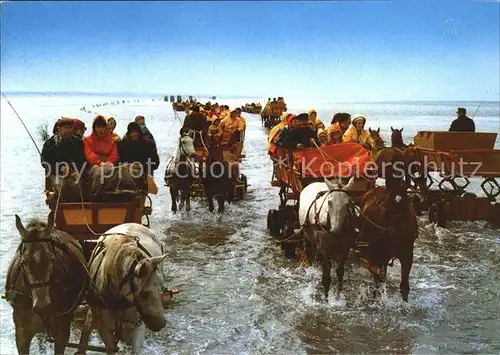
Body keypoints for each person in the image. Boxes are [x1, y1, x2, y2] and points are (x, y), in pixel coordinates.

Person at [41, 117, 87, 203]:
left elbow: (82, 160)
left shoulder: (77, 142)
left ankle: (74, 205)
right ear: (59, 129)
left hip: (73, 172)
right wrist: (60, 169)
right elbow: (45, 162)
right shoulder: (50, 144)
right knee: (60, 185)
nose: (68, 130)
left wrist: (75, 170)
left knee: (77, 184)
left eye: (70, 128)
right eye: (66, 128)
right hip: (56, 173)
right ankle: (62, 205)